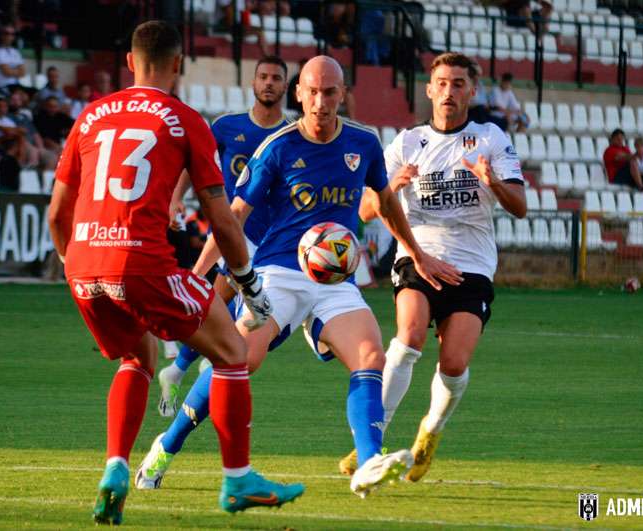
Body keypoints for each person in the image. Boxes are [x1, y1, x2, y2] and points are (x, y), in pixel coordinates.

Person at [137, 55, 463, 498]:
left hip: (335, 281)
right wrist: (196, 276)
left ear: (342, 94)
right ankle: (166, 445)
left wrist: (417, 253)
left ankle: (368, 462)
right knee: (240, 360)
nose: (321, 101)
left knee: (370, 356)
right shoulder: (278, 147)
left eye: (330, 92)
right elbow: (233, 216)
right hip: (278, 274)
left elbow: (385, 201)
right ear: (299, 94)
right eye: (313, 91)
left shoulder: (363, 143)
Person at [47, 20, 303, 524]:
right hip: (140, 260)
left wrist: (74, 262)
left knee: (136, 356)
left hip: (82, 263)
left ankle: (116, 467)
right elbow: (223, 218)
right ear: (178, 64)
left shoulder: (92, 115)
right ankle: (237, 480)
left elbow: (58, 213)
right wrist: (249, 283)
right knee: (231, 350)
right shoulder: (185, 119)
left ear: (129, 62)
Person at [342, 52, 527, 481]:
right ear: (429, 89)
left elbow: (519, 207)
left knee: (454, 364)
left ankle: (430, 431)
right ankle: (371, 443)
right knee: (407, 339)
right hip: (417, 256)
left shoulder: (490, 139)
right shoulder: (406, 142)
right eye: (441, 83)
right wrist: (392, 186)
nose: (448, 91)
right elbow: (368, 209)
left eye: (458, 83)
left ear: (472, 90)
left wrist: (491, 181)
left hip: (472, 266)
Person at [155, 55, 292, 419]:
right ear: (253, 82)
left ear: (286, 86)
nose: (268, 83)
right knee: (225, 301)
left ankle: (180, 367)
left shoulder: (293, 134)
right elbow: (193, 163)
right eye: (263, 77)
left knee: (236, 316)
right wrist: (174, 198)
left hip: (274, 239)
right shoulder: (227, 126)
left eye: (275, 78)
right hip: (233, 232)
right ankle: (191, 368)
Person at [0, 24, 25, 93]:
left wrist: (11, 70)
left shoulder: (15, 52)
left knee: (35, 93)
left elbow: (22, 72)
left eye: (12, 34)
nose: (9, 36)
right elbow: (6, 72)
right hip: (3, 86)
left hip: (16, 85)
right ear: (1, 35)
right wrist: (16, 70)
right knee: (23, 96)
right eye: (6, 33)